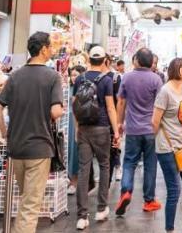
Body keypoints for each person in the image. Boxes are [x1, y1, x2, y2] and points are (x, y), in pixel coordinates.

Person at [0, 32, 65, 233]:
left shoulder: (15, 75)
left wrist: (4, 132)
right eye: (50, 47)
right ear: (43, 49)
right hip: (39, 148)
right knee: (30, 205)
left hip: (16, 148)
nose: (52, 50)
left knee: (26, 199)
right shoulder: (52, 77)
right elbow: (55, 111)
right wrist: (62, 108)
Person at [73, 45, 120, 229]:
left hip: (84, 128)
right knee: (104, 166)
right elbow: (110, 107)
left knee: (84, 170)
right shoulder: (107, 80)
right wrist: (116, 131)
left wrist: (78, 127)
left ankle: (82, 216)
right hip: (101, 128)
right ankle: (101, 209)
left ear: (89, 60)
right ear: (104, 61)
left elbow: (74, 105)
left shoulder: (80, 78)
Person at [152, 58, 182, 233]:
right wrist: (159, 142)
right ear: (181, 71)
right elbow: (154, 122)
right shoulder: (165, 91)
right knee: (174, 191)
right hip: (168, 150)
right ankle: (170, 229)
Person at [116, 48, 163, 215]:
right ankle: (149, 200)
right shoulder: (156, 79)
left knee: (129, 162)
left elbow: (121, 103)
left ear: (136, 61)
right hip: (151, 130)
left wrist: (119, 124)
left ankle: (126, 191)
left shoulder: (127, 78)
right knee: (150, 164)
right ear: (151, 62)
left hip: (133, 129)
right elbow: (160, 106)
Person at [68, 64, 86, 197]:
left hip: (80, 123)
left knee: (78, 152)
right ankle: (71, 180)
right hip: (68, 124)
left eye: (76, 75)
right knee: (69, 152)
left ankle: (77, 181)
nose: (73, 78)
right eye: (72, 75)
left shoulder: (84, 89)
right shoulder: (67, 89)